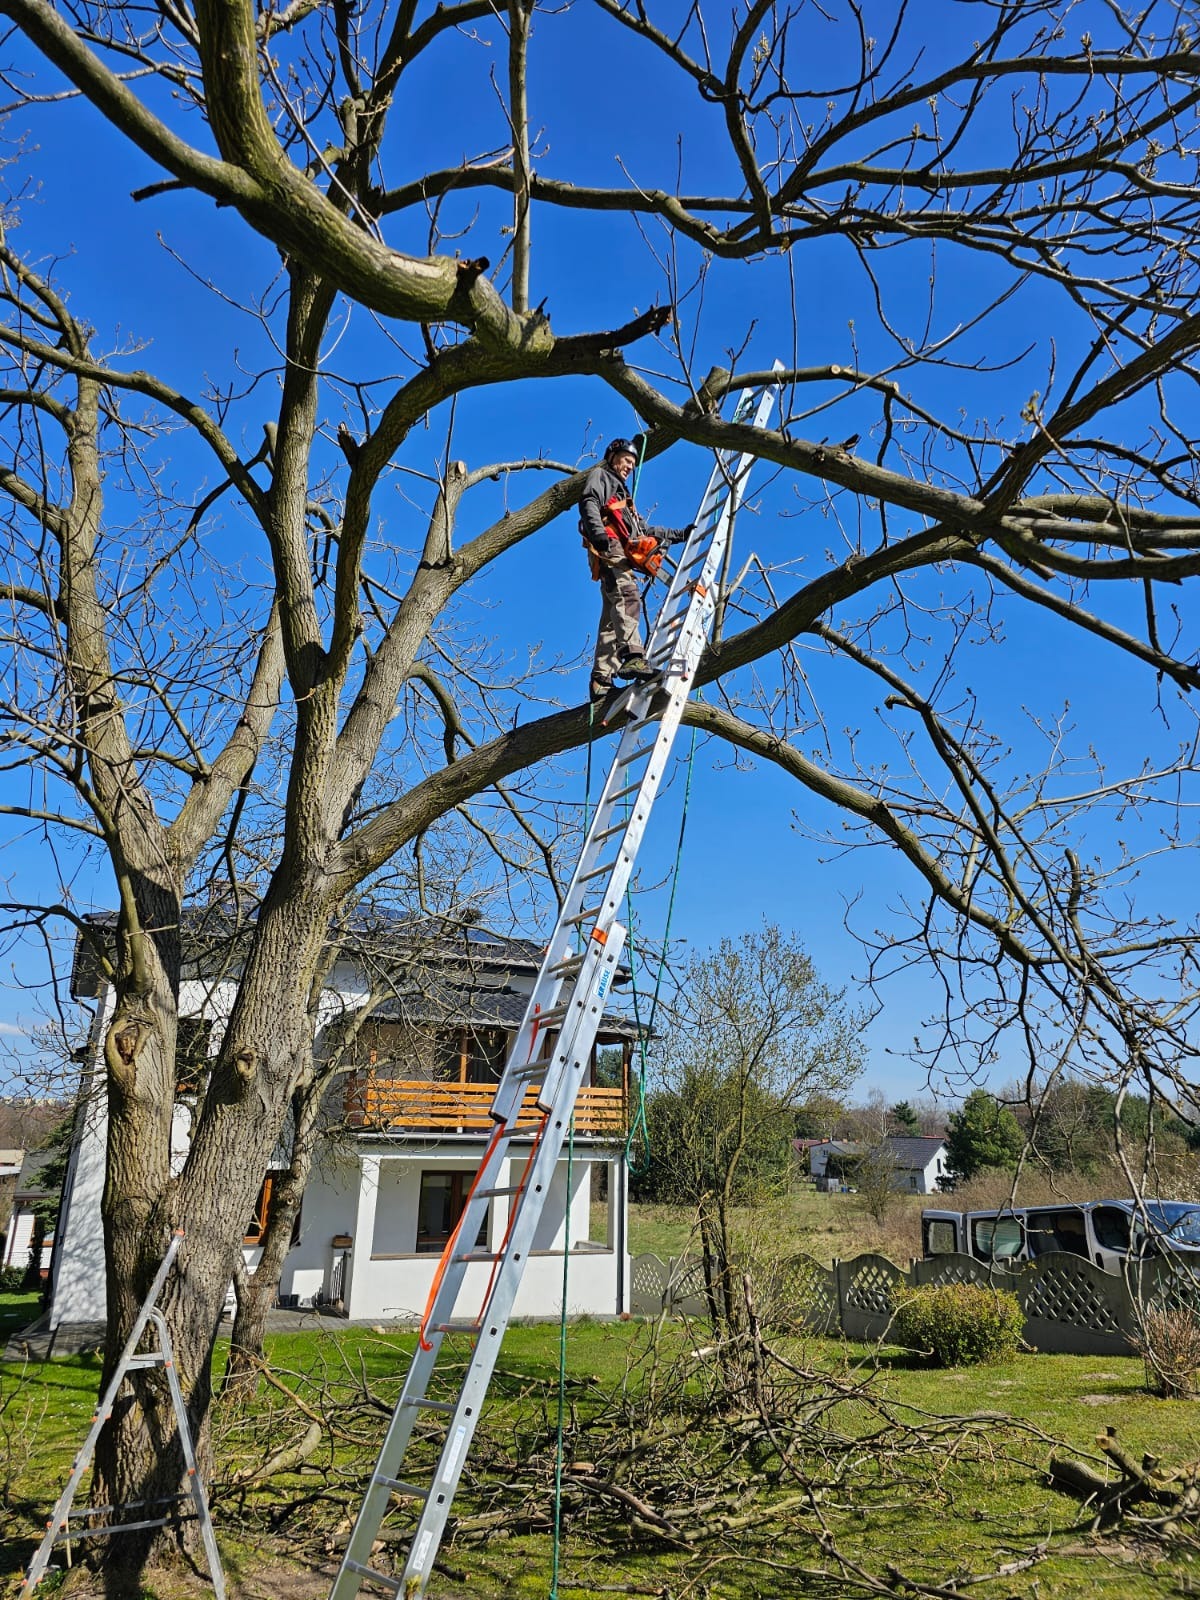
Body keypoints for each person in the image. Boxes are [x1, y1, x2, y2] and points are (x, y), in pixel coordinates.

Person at [578, 438, 689, 701]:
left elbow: (643, 530)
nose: (630, 466)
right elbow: (589, 501)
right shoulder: (602, 476)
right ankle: (633, 656)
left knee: (611, 615)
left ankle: (601, 679)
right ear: (612, 457)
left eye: (633, 463)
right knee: (627, 594)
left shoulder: (623, 497)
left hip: (617, 547)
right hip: (609, 546)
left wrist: (679, 535)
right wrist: (598, 534)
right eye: (627, 460)